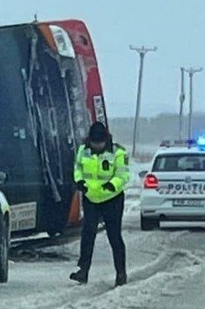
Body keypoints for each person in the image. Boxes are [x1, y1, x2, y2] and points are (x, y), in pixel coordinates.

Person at [70, 121, 130, 287]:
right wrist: (79, 182)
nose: (97, 146)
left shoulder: (118, 152)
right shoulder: (83, 150)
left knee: (114, 236)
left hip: (112, 200)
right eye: (94, 143)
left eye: (100, 143)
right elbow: (78, 168)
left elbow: (123, 174)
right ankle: (83, 271)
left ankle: (120, 273)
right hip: (90, 198)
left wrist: (112, 185)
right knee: (88, 234)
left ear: (106, 139)